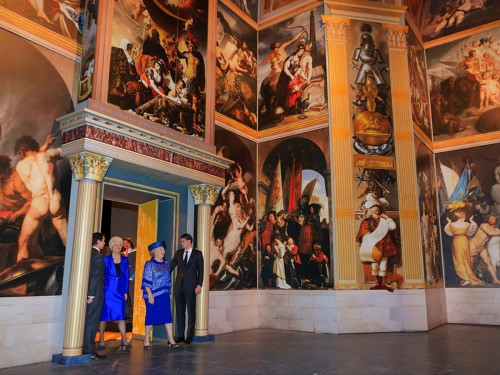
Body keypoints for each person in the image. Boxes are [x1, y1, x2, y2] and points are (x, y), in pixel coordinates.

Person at [14, 134, 68, 261]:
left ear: (22, 151)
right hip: (55, 199)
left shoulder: (21, 165)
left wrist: (45, 145)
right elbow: (69, 151)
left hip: (40, 201)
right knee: (68, 241)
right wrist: (47, 145)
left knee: (24, 242)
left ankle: (23, 281)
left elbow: (35, 159)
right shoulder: (48, 154)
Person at [141, 240, 178, 349]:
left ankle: (171, 339)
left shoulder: (166, 263)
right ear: (155, 251)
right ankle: (146, 340)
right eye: (160, 249)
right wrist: (150, 295)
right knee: (151, 317)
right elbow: (146, 280)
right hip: (152, 295)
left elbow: (167, 279)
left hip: (164, 294)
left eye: (163, 249)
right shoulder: (149, 264)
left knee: (167, 316)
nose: (163, 251)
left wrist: (169, 292)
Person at [356, 196, 397, 292]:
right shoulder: (366, 221)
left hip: (385, 246)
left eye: (377, 208)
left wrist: (387, 218)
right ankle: (377, 284)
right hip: (373, 247)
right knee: (374, 266)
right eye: (374, 209)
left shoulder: (384, 220)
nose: (376, 210)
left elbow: (393, 227)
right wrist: (372, 240)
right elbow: (365, 234)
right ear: (370, 210)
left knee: (383, 266)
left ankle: (382, 285)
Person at [98, 236, 130, 350]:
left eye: (120, 245)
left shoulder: (125, 260)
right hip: (108, 291)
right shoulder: (105, 259)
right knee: (104, 316)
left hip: (120, 291)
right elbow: (100, 275)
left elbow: (126, 276)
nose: (118, 247)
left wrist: (126, 291)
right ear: (111, 247)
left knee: (121, 315)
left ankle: (124, 339)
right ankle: (101, 339)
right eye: (116, 245)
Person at [170, 233, 203, 344]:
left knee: (191, 311)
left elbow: (201, 271)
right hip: (178, 286)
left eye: (183, 241)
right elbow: (171, 266)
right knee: (180, 312)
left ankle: (189, 336)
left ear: (189, 241)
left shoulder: (198, 254)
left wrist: (199, 285)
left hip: (191, 287)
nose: (181, 243)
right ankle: (180, 335)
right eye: (181, 241)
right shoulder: (179, 253)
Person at [444, 210, 484, 286]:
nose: (465, 217)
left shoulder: (452, 225)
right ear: (462, 216)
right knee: (465, 258)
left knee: (459, 259)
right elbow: (471, 230)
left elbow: (448, 232)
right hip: (464, 241)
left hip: (457, 241)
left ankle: (466, 278)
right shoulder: (467, 224)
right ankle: (465, 278)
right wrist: (471, 220)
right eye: (464, 216)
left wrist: (449, 222)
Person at [82, 233, 105, 359]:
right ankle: (89, 351)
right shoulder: (97, 257)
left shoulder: (87, 253)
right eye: (103, 240)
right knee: (92, 322)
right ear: (98, 241)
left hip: (89, 293)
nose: (104, 243)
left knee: (87, 321)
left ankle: (86, 348)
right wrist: (91, 295)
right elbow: (95, 276)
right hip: (94, 294)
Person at [468, 215, 500, 284]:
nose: (491, 220)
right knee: (471, 261)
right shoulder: (483, 225)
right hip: (474, 243)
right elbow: (490, 233)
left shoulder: (496, 230)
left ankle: (495, 280)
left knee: (488, 262)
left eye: (493, 218)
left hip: (482, 247)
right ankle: (468, 278)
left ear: (496, 220)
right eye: (490, 218)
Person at [123, 237, 136, 319]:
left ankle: (132, 314)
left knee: (132, 294)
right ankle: (126, 313)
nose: (125, 245)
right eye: (124, 243)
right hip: (124, 277)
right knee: (125, 295)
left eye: (126, 243)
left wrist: (133, 275)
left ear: (130, 243)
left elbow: (137, 265)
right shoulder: (122, 254)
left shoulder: (135, 252)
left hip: (132, 276)